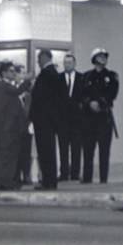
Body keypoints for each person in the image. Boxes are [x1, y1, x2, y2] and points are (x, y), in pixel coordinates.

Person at [80, 48, 119, 183]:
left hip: (104, 117)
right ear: (94, 59)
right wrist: (89, 103)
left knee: (104, 150)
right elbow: (82, 94)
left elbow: (112, 94)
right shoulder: (86, 77)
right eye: (100, 56)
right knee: (88, 150)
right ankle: (87, 179)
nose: (103, 58)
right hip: (88, 118)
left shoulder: (112, 76)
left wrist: (100, 103)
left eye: (104, 56)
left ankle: (103, 179)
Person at [30, 48, 63, 189]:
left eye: (39, 58)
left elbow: (42, 98)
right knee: (48, 150)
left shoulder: (47, 73)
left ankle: (48, 181)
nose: (37, 61)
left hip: (44, 119)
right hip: (48, 119)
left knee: (45, 150)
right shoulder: (53, 73)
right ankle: (50, 180)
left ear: (45, 57)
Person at [58, 53, 85, 181]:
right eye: (65, 63)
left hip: (77, 119)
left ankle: (75, 173)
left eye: (69, 63)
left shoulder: (82, 78)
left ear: (74, 64)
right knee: (63, 147)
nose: (67, 65)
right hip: (62, 119)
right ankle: (63, 173)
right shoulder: (58, 78)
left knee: (76, 147)